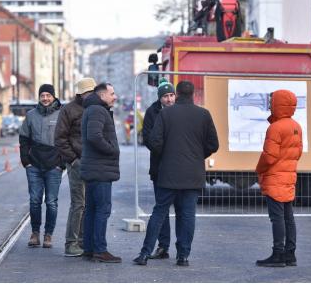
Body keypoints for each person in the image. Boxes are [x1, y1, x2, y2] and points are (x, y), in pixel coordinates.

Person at [133, 80, 219, 267]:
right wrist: (197, 155)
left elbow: (154, 142)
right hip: (193, 174)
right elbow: (214, 145)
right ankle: (183, 256)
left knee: (159, 213)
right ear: (193, 94)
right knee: (187, 215)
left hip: (168, 173)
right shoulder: (203, 115)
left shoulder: (165, 114)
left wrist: (168, 154)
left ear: (177, 94)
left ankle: (145, 253)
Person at [255, 90, 303, 268]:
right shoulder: (296, 126)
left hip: (275, 177)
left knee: (277, 218)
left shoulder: (275, 128)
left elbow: (269, 157)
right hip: (289, 176)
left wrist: (259, 169)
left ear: (278, 104)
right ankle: (290, 254)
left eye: (271, 102)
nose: (269, 105)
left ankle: (278, 254)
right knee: (288, 217)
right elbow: (297, 153)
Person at [54, 77, 96, 257]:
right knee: (78, 203)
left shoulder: (95, 108)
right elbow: (60, 139)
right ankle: (71, 243)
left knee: (88, 204)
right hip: (77, 162)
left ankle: (82, 241)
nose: (91, 95)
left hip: (92, 162)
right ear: (81, 93)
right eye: (88, 92)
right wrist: (72, 160)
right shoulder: (69, 109)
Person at [80, 83, 121, 263]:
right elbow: (94, 136)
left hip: (94, 168)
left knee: (92, 210)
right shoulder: (97, 110)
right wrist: (112, 150)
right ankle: (100, 249)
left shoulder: (93, 109)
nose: (115, 96)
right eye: (112, 93)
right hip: (100, 169)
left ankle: (89, 248)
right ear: (102, 95)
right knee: (102, 210)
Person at [19, 84, 63, 248]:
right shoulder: (31, 115)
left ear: (53, 96)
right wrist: (26, 162)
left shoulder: (61, 114)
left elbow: (66, 139)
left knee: (51, 202)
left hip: (54, 166)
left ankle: (48, 235)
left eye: (48, 95)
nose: (45, 98)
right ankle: (35, 233)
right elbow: (23, 139)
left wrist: (62, 163)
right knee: (35, 201)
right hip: (34, 165)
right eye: (42, 95)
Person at [141, 78, 175, 260]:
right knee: (162, 209)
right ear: (160, 98)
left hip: (179, 168)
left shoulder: (180, 111)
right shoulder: (151, 112)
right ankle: (163, 246)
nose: (169, 100)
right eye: (166, 96)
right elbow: (147, 138)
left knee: (184, 211)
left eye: (171, 95)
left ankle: (183, 251)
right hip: (160, 167)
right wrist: (164, 150)